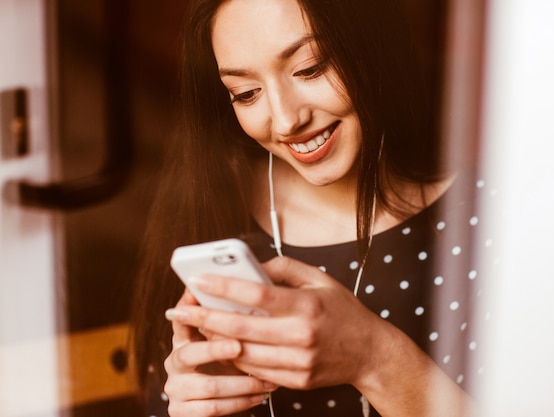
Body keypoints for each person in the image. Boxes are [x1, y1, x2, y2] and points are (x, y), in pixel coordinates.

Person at [131, 0, 487, 416]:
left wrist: (374, 356)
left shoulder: (488, 220)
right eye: (245, 94)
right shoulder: (210, 212)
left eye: (311, 68)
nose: (285, 121)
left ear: (373, 43)